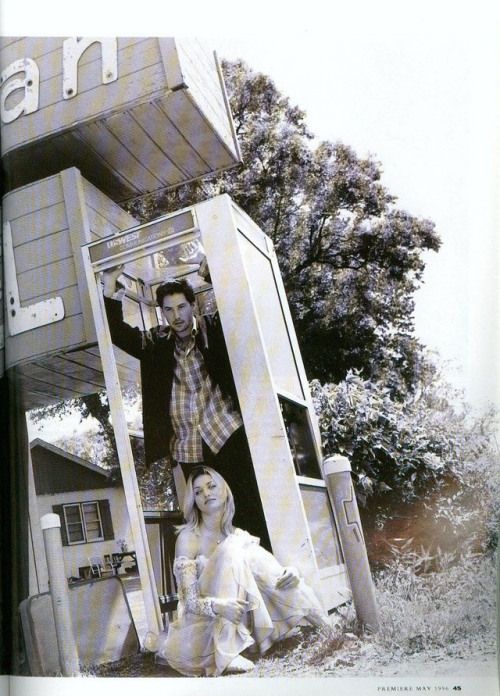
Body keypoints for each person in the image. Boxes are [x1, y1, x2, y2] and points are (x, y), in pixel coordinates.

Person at [102, 263, 271, 549]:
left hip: (225, 433)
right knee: (208, 521)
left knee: (247, 507)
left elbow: (240, 306)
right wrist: (110, 286)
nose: (176, 316)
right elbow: (118, 334)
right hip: (188, 446)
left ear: (192, 305)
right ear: (162, 312)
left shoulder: (211, 329)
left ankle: (266, 573)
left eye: (181, 307)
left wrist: (212, 271)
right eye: (168, 310)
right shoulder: (156, 342)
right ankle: (229, 583)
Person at [153, 466, 329, 676]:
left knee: (248, 550)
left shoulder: (237, 534)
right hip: (205, 630)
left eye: (211, 486)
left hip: (241, 620)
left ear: (225, 491)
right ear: (194, 502)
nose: (206, 494)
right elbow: (189, 602)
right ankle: (225, 655)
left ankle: (325, 624)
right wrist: (218, 606)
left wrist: (291, 572)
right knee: (231, 548)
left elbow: (267, 570)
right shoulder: (189, 538)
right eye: (198, 492)